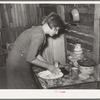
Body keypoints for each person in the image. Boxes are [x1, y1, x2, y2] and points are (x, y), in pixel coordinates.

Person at [6, 12, 65, 89]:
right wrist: (49, 66)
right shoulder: (39, 36)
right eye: (56, 30)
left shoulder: (38, 30)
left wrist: (48, 65)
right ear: (52, 26)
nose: (57, 33)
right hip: (17, 65)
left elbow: (35, 54)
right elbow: (30, 58)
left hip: (16, 62)